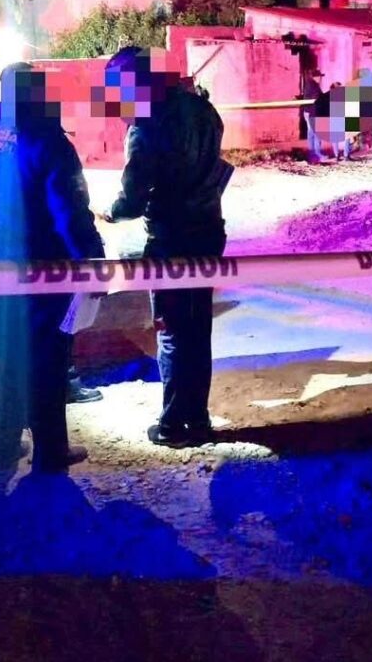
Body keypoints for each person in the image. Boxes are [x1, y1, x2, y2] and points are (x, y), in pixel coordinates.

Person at [0, 62, 105, 473]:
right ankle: (50, 453)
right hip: (40, 268)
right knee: (45, 359)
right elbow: (71, 215)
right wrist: (93, 264)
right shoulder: (47, 140)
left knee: (1, 355)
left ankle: (3, 446)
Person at [98, 47, 234, 449]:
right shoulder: (202, 110)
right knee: (198, 328)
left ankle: (173, 424)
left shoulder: (145, 126)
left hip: (171, 239)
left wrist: (109, 212)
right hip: (209, 232)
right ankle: (199, 418)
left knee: (172, 331)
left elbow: (132, 199)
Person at [301, 69, 327, 164]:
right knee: (316, 134)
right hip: (312, 112)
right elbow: (316, 97)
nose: (320, 79)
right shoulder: (313, 85)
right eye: (319, 77)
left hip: (309, 112)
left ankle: (313, 154)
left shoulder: (311, 84)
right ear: (315, 77)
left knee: (312, 134)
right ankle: (316, 154)